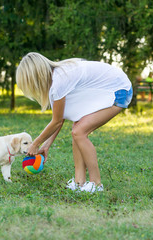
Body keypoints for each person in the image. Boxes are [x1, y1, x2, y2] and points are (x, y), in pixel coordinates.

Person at [16, 52, 132, 193]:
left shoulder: (60, 80)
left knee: (79, 132)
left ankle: (96, 184)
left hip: (118, 90)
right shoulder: (56, 80)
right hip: (106, 89)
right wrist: (46, 146)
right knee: (77, 129)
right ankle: (79, 182)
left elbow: (56, 121)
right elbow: (60, 118)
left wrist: (35, 144)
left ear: (35, 76)